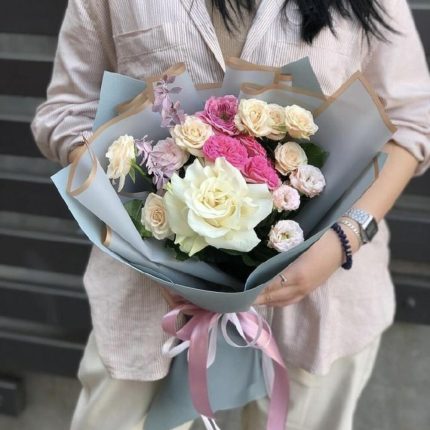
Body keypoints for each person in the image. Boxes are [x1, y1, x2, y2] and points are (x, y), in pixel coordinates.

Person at [31, 0, 430, 429]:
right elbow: (67, 113)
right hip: (149, 296)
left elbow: (411, 119)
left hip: (321, 298)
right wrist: (142, 215)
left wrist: (346, 236)